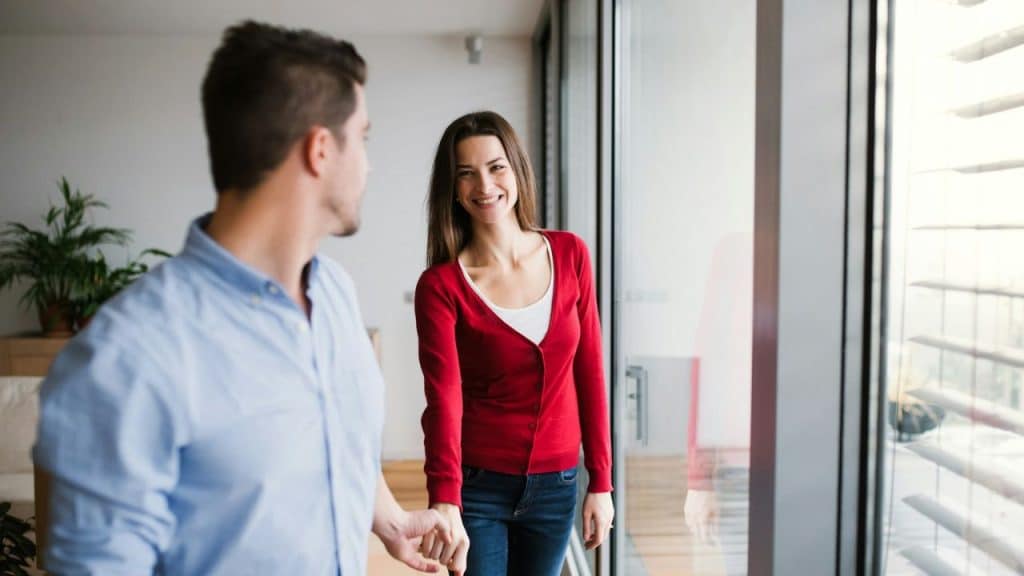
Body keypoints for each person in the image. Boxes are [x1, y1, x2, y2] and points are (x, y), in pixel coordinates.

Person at [33, 20, 450, 575]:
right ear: (320, 150)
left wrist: (390, 521)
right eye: (364, 139)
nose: (368, 164)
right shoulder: (125, 359)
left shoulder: (335, 295)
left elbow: (336, 431)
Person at [413, 111, 614, 576]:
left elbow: (591, 371)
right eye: (466, 173)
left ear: (517, 169)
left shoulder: (570, 254)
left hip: (558, 485)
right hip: (478, 487)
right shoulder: (441, 286)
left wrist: (601, 482)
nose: (484, 184)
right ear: (453, 188)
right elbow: (443, 398)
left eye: (496, 166)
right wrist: (444, 497)